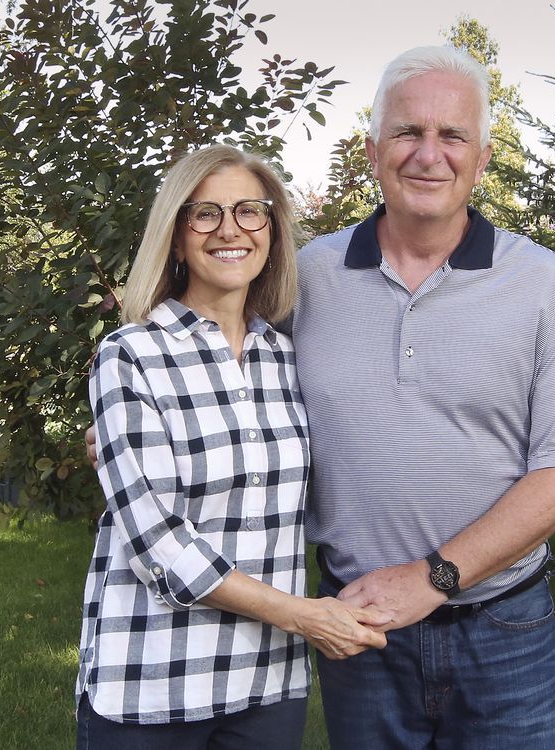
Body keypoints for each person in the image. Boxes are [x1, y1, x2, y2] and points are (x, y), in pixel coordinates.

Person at [289, 46, 555, 748]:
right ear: (372, 149)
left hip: (504, 627)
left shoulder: (538, 281)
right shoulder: (305, 277)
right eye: (408, 132)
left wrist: (433, 577)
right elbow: (219, 372)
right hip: (359, 628)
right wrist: (135, 422)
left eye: (452, 136)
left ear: (484, 157)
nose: (428, 155)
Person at [76, 144, 386, 750]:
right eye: (205, 213)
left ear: (271, 229)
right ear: (176, 233)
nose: (230, 230)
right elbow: (156, 543)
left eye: (251, 211)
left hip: (265, 684)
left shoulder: (289, 358)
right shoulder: (131, 354)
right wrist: (305, 615)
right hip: (151, 680)